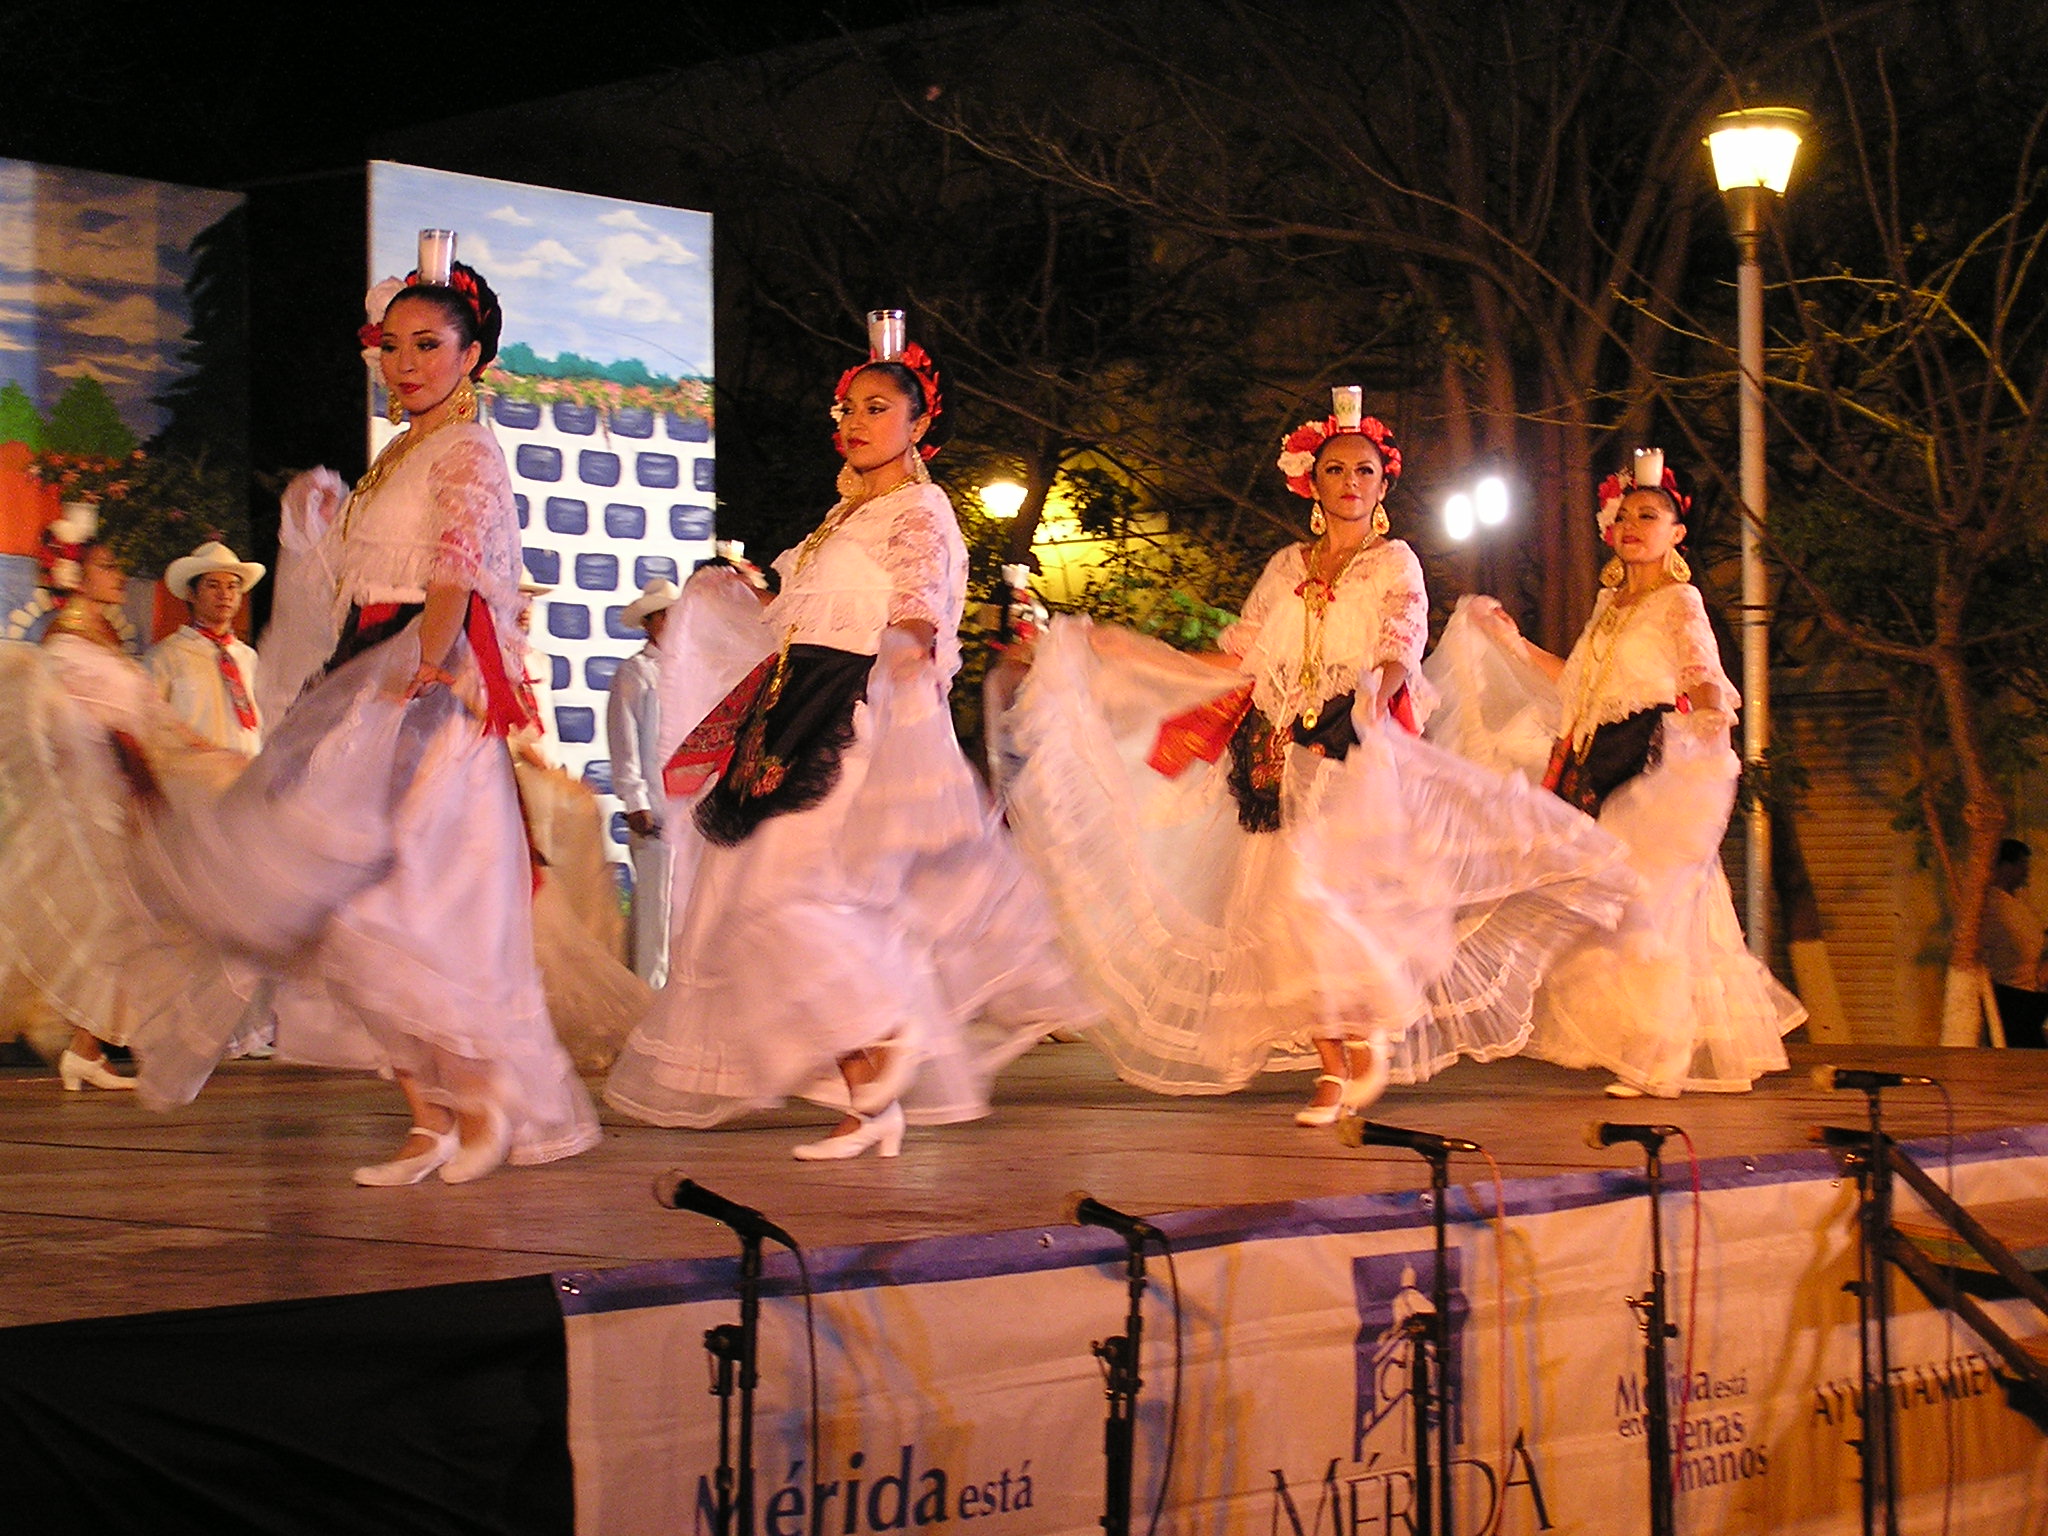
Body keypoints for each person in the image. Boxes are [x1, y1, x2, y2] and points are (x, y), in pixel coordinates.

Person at [1000, 390, 1632, 1123]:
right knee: (1281, 912)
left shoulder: (1395, 563)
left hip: (1355, 749)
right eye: (1336, 469)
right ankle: (1333, 1067)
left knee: (1326, 897)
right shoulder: (1285, 568)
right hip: (1277, 753)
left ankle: (1365, 1034)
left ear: (1383, 483)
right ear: (1314, 482)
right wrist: (1119, 649)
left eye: (1364, 470)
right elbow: (1239, 658)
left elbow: (1401, 646)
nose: (1351, 483)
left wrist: (1371, 694)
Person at [134, 238, 599, 1183]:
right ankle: (431, 1119)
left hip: (424, 688)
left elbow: (456, 569)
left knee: (407, 904)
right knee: (341, 908)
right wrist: (319, 528)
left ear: (471, 356)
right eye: (392, 345)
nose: (407, 362)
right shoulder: (402, 457)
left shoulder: (467, 448)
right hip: (375, 676)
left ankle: (479, 1100)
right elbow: (361, 582)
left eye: (428, 344)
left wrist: (425, 667)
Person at [605, 316, 1090, 1158]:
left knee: (787, 895)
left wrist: (906, 653)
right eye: (847, 408)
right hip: (796, 714)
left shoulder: (919, 508)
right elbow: (791, 614)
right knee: (750, 903)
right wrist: (737, 593)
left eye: (876, 406)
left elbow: (920, 601)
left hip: (856, 716)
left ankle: (888, 1033)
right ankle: (871, 1102)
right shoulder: (837, 520)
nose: (855, 421)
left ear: (918, 424)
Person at [1429, 449, 1806, 1094]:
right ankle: (1647, 1044)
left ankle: (1658, 1059)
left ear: (1676, 533)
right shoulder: (1610, 608)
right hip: (1600, 770)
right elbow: (1577, 689)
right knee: (1611, 915)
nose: (1633, 526)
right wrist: (1513, 645)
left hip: (1659, 768)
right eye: (1625, 515)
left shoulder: (1679, 600)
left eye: (1650, 515)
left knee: (1641, 908)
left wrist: (1708, 745)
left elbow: (1704, 679)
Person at [0, 511, 235, 1089]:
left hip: (116, 810)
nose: (118, 574)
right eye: (106, 565)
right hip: (94, 815)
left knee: (135, 926)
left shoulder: (93, 640)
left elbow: (145, 721)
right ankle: (87, 1048)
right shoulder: (67, 650)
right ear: (77, 575)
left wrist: (203, 754)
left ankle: (86, 1050)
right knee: (118, 926)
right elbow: (104, 730)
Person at [606, 576, 681, 987]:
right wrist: (635, 799)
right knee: (656, 909)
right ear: (651, 622)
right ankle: (648, 995)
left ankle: (669, 998)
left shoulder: (685, 671)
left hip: (685, 807)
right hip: (654, 805)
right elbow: (624, 739)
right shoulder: (635, 672)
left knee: (679, 911)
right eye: (667, 617)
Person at [148, 540, 266, 758]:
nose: (225, 594)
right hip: (192, 781)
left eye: (232, 586)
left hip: (246, 777)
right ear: (192, 594)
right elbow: (150, 727)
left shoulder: (248, 657)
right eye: (213, 585)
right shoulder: (167, 656)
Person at [1983, 838, 2048, 1048]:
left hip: (2032, 992)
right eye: (2021, 863)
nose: (2026, 869)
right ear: (2004, 866)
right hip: (2012, 993)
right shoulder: (1993, 904)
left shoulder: (2014, 903)